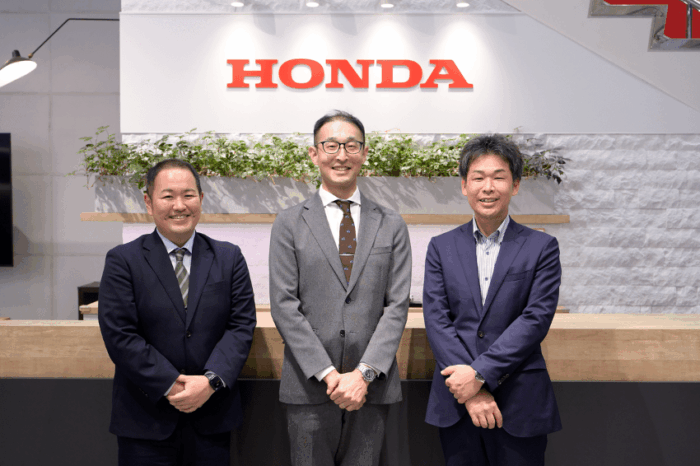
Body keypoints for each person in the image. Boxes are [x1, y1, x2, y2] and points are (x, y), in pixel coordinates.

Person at [269, 110, 412, 466]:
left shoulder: (391, 223)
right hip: (310, 387)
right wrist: (329, 374)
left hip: (371, 389)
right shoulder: (289, 223)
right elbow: (284, 305)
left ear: (364, 153)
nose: (341, 155)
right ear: (314, 153)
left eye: (351, 146)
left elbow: (397, 306)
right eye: (331, 145)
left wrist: (363, 375)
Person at [98, 159, 256, 466]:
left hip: (212, 417)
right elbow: (119, 334)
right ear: (149, 202)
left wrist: (209, 382)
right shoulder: (123, 260)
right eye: (168, 196)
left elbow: (240, 326)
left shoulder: (229, 257)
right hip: (145, 420)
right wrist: (171, 383)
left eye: (188, 195)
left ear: (201, 199)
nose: (179, 206)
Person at [423, 134, 562, 465]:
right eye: (478, 178)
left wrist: (479, 375)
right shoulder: (441, 247)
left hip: (520, 400)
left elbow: (535, 319)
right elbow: (437, 319)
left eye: (499, 177)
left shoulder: (541, 247)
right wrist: (471, 390)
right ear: (464, 185)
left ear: (515, 185)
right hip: (457, 401)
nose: (488, 187)